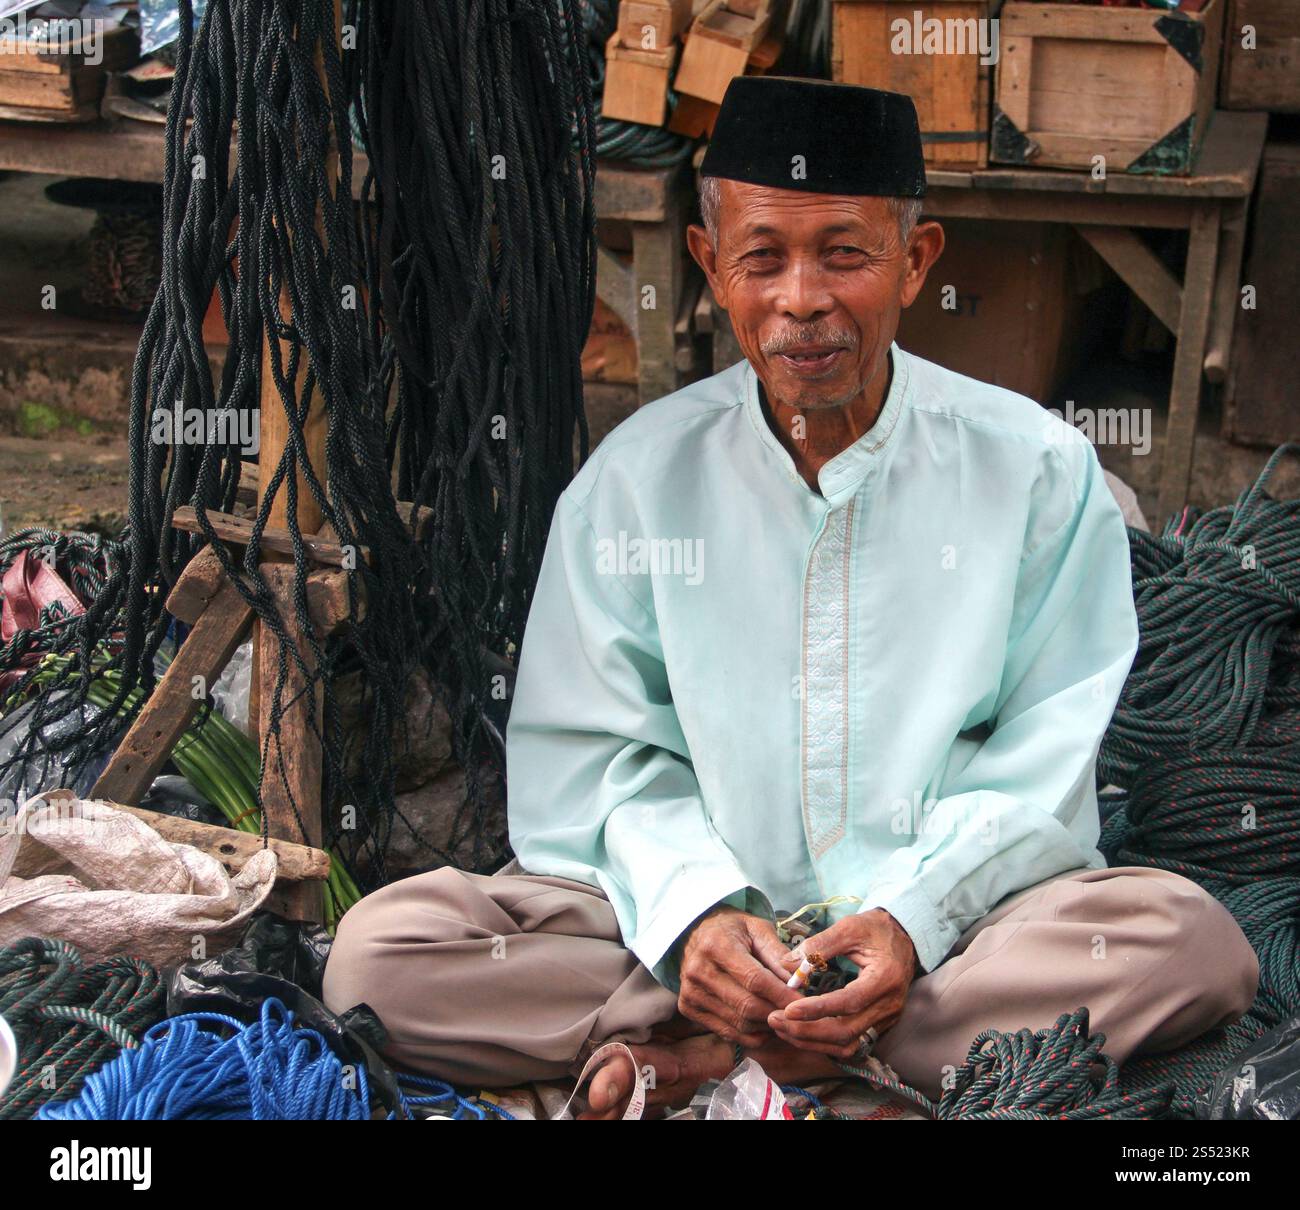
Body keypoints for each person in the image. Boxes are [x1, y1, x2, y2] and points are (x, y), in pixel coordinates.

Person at [322, 76, 1257, 1118]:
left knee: (1190, 943)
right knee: (377, 957)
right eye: (761, 256)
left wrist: (909, 918)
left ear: (917, 262)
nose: (800, 297)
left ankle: (719, 1060)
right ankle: (828, 1063)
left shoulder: (1036, 470)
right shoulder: (635, 482)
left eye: (845, 253)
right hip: (686, 946)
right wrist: (699, 918)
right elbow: (593, 759)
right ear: (709, 266)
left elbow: (1043, 752)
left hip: (953, 941)